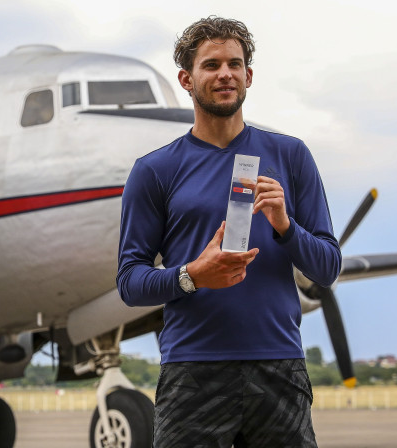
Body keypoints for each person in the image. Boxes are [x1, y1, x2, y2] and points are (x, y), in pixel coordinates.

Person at [116, 17, 341, 447]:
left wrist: (285, 226)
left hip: (279, 367)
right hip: (192, 372)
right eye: (211, 64)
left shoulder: (291, 156)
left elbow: (328, 268)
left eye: (235, 64)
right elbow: (129, 282)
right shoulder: (153, 171)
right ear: (187, 78)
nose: (225, 74)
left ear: (248, 75)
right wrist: (192, 275)